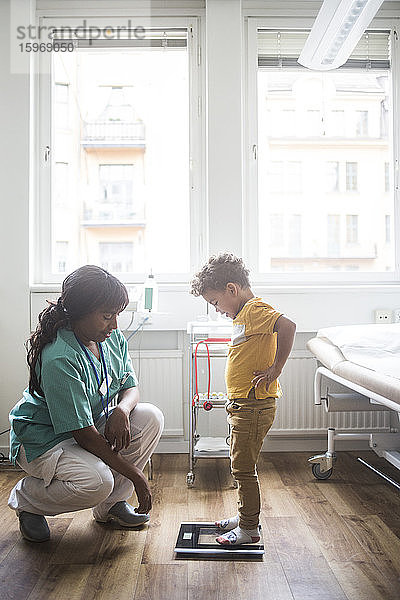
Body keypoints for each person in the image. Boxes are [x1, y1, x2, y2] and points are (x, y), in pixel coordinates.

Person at [8, 265, 164, 543]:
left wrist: (121, 409)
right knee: (97, 481)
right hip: (44, 439)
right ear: (78, 312)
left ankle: (111, 506)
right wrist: (137, 477)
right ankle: (28, 500)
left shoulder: (110, 337)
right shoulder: (61, 357)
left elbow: (130, 386)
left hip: (87, 424)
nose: (115, 324)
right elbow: (84, 436)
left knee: (150, 417)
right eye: (107, 316)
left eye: (117, 314)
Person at [190, 253, 296, 545]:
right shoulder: (244, 314)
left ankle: (250, 528)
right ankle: (245, 515)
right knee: (241, 464)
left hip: (254, 406)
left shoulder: (255, 310)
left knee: (242, 468)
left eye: (215, 302)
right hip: (244, 405)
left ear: (232, 289)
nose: (216, 309)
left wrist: (276, 369)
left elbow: (288, 327)